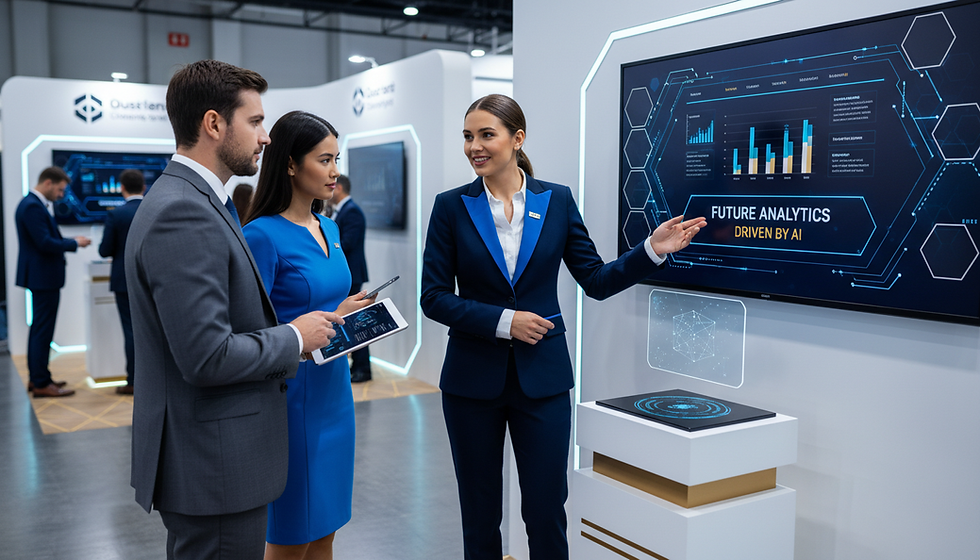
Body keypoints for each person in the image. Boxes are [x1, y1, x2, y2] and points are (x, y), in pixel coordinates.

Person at [420, 94, 707, 560]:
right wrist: (503, 322)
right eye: (468, 137)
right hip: (471, 384)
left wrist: (651, 251)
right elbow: (433, 296)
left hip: (544, 381)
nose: (474, 146)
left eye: (486, 135)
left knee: (547, 511)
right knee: (479, 515)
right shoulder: (451, 207)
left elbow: (594, 279)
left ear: (518, 139)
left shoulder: (556, 201)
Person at [125, 60, 342, 560]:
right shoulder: (183, 210)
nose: (266, 138)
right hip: (214, 461)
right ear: (214, 124)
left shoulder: (199, 201)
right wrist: (294, 336)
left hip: (218, 456)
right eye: (256, 121)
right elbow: (205, 356)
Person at [242, 110, 374, 560]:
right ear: (292, 164)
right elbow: (247, 329)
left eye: (336, 158)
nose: (335, 171)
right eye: (324, 159)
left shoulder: (330, 227)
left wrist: (346, 313)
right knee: (291, 535)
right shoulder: (260, 235)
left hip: (334, 394)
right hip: (289, 398)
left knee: (326, 530)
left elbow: (320, 306)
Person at [15, 166, 91, 398]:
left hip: (42, 277)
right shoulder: (31, 206)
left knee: (41, 329)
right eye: (59, 190)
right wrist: (74, 243)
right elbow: (45, 243)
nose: (61, 195)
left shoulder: (31, 204)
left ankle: (41, 377)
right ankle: (40, 382)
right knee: (42, 330)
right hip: (43, 277)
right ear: (48, 183)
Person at [97, 169, 145, 395]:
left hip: (124, 281)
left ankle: (134, 381)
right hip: (151, 280)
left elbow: (104, 250)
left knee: (130, 331)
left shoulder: (116, 215)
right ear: (143, 187)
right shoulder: (152, 209)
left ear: (122, 187)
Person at [330, 174, 372, 382]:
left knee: (356, 323)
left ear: (338, 188)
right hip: (348, 275)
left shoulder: (352, 211)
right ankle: (358, 366)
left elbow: (346, 244)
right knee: (351, 322)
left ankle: (362, 368)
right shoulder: (343, 211)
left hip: (353, 276)